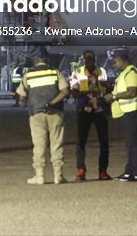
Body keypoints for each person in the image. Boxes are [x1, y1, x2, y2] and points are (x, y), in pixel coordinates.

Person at [16, 50, 68, 184]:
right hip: (55, 113)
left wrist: (26, 101)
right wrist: (51, 103)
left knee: (39, 145)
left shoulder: (28, 75)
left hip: (36, 114)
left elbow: (21, 97)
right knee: (56, 144)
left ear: (35, 61)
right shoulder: (56, 73)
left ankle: (39, 176)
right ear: (48, 60)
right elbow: (65, 91)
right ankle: (58, 175)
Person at [105, 49, 137, 182]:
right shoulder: (125, 73)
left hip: (133, 112)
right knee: (131, 144)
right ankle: (130, 171)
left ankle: (135, 173)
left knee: (133, 144)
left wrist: (114, 96)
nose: (113, 64)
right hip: (128, 112)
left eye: (115, 61)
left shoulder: (131, 73)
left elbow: (132, 92)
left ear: (122, 59)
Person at [69, 50, 111, 181]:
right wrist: (87, 91)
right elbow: (74, 93)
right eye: (86, 59)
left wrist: (107, 86)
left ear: (95, 59)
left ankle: (103, 171)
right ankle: (81, 169)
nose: (89, 61)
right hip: (84, 109)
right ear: (83, 59)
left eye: (91, 58)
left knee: (104, 141)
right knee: (81, 141)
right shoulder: (77, 72)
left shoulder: (102, 71)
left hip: (99, 109)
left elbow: (108, 88)